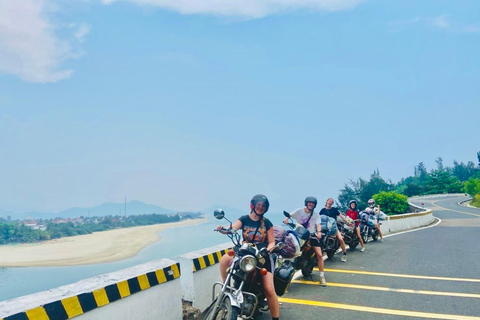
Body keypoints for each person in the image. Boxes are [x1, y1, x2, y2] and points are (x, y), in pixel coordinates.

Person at [217, 194, 280, 320]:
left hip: (261, 255)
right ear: (253, 205)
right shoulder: (244, 219)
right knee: (225, 259)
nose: (260, 208)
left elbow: (272, 242)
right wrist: (223, 229)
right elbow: (232, 229)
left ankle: (275, 318)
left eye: (263, 206)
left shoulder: (266, 222)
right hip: (245, 252)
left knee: (268, 288)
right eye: (258, 205)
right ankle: (226, 287)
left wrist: (266, 251)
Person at [283, 196, 327, 286]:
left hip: (311, 235)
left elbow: (318, 224)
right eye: (309, 202)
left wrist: (319, 232)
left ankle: (322, 277)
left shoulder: (316, 214)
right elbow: (290, 215)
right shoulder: (299, 211)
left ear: (314, 205)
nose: (311, 204)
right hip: (300, 235)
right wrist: (286, 219)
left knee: (319, 254)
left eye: (313, 203)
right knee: (289, 249)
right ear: (306, 203)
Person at [319, 198, 348, 262]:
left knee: (340, 239)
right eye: (329, 201)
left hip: (334, 228)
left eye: (332, 202)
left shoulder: (334, 210)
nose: (330, 202)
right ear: (326, 201)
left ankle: (344, 253)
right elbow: (319, 219)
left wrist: (347, 221)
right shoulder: (322, 210)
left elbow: (341, 215)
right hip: (324, 228)